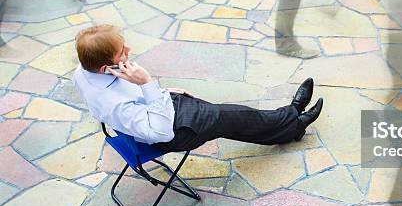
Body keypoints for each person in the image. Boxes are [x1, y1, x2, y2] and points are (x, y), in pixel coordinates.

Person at [72, 24, 323, 152]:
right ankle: (293, 118)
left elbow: (138, 101)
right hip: (171, 130)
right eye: (121, 52)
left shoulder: (83, 72)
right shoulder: (116, 105)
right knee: (233, 115)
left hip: (160, 107)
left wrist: (165, 92)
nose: (129, 52)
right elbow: (160, 133)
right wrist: (147, 84)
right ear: (106, 68)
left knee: (234, 119)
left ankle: (291, 126)